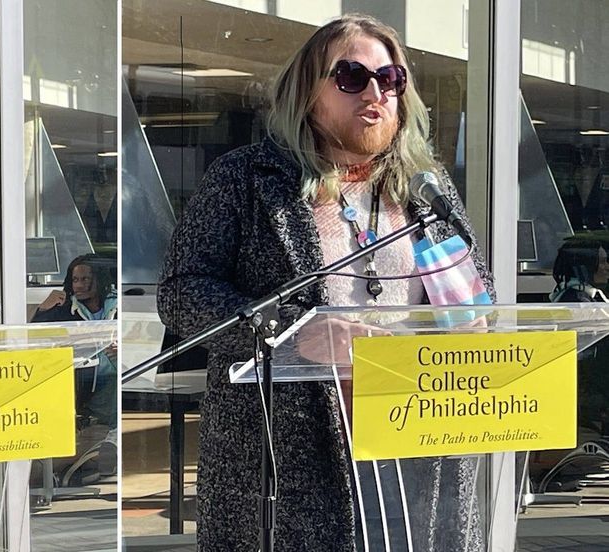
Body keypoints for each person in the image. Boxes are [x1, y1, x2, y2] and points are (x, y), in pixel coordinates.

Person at [156, 14, 495, 551]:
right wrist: (300, 332)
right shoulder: (247, 180)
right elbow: (182, 295)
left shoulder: (425, 189)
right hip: (290, 462)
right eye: (352, 76)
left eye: (391, 79)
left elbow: (478, 299)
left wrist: (477, 328)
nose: (376, 92)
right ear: (308, 93)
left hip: (420, 445)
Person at [33, 253, 118, 473]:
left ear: (99, 280)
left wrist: (123, 351)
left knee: (118, 391)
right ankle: (110, 445)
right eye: (75, 280)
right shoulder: (62, 308)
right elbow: (35, 338)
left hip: (112, 378)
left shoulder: (119, 306)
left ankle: (111, 445)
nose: (79, 285)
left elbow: (141, 341)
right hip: (78, 385)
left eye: (85, 279)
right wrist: (43, 309)